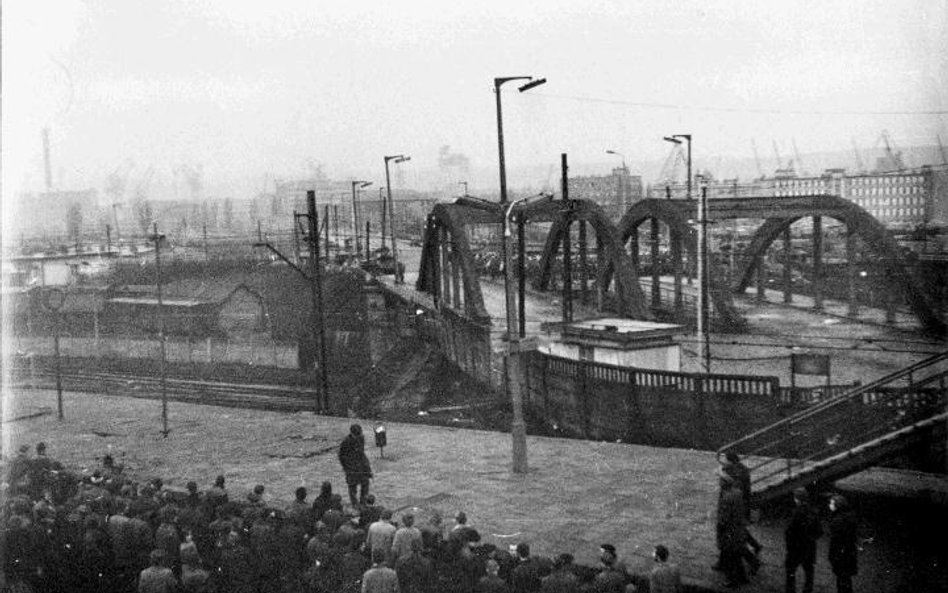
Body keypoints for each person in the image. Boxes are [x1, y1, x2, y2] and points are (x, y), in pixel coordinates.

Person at [785, 487, 823, 593]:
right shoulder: (813, 511)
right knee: (809, 570)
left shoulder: (796, 513)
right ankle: (807, 589)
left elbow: (790, 531)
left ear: (796, 499)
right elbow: (819, 531)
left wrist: (789, 545)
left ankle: (791, 590)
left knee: (790, 570)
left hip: (796, 548)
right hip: (809, 547)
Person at [827, 494, 857, 593]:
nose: (829, 505)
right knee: (846, 579)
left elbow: (835, 542)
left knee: (841, 579)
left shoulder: (837, 521)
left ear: (837, 506)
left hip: (840, 555)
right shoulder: (850, 516)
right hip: (849, 553)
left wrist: (831, 557)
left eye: (832, 503)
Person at [339, 424, 373, 508]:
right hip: (351, 468)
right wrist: (347, 468)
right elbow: (341, 456)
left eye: (359, 434)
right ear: (352, 433)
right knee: (352, 486)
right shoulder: (346, 442)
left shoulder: (361, 438)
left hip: (362, 466)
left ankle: (363, 502)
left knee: (365, 483)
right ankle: (354, 503)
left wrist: (367, 466)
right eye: (356, 435)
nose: (358, 436)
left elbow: (361, 453)